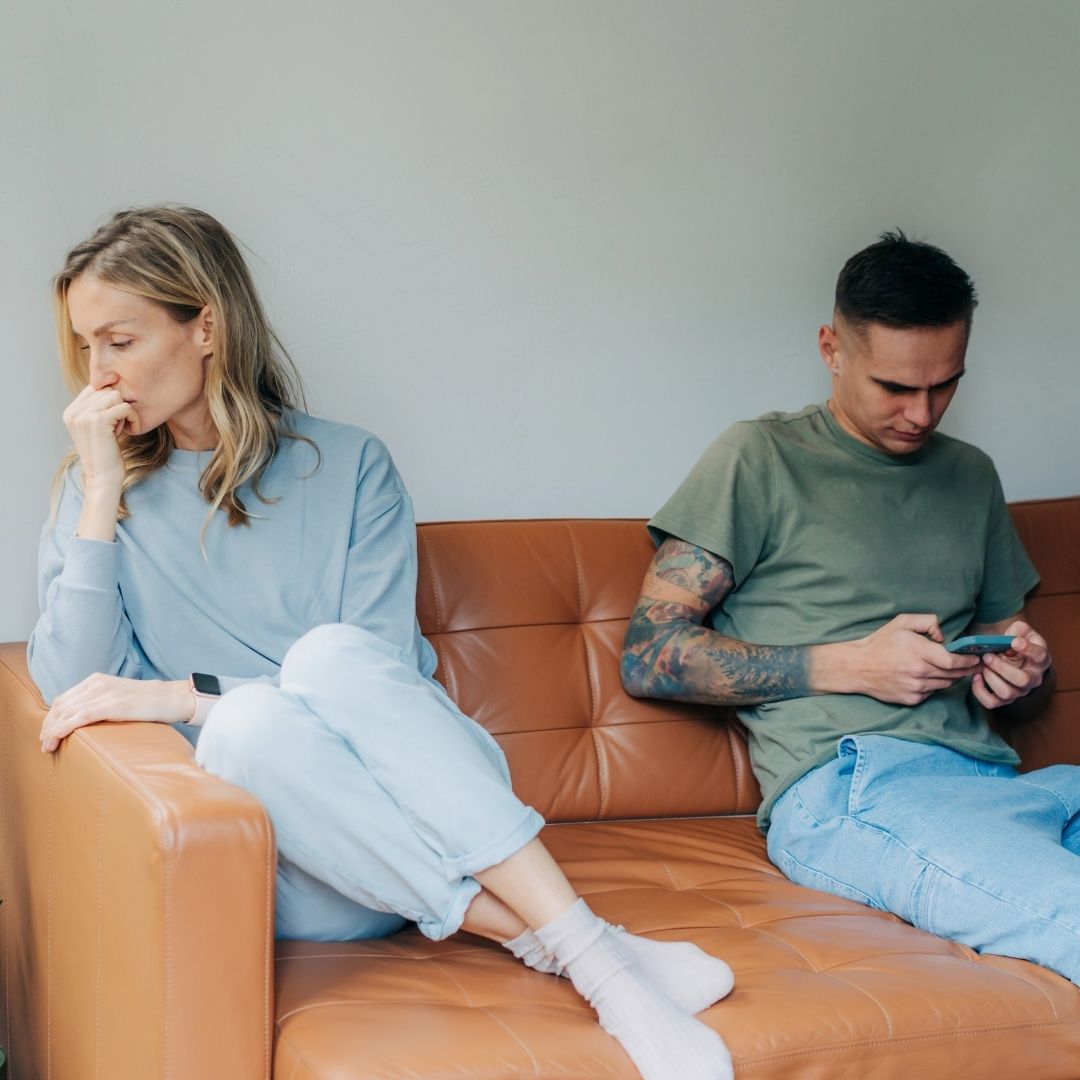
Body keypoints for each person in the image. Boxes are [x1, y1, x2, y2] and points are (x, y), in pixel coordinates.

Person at [29, 205, 736, 1080]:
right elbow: (71, 686)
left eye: (120, 342)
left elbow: (374, 681)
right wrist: (99, 493)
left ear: (205, 324)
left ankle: (587, 958)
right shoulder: (97, 496)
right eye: (85, 347)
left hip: (424, 802)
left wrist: (184, 697)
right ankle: (595, 952)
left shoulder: (351, 464)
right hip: (289, 852)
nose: (99, 377)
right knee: (249, 731)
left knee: (326, 658)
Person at [620, 230, 1075, 984]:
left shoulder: (971, 476)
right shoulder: (758, 458)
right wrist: (852, 665)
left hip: (1001, 783)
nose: (923, 414)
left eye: (945, 384)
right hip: (851, 790)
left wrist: (1024, 675)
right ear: (832, 349)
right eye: (895, 388)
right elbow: (648, 655)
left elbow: (1019, 676)